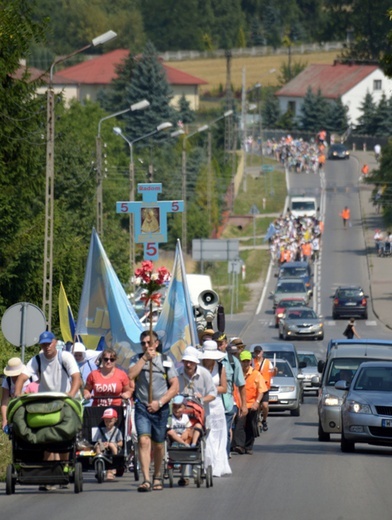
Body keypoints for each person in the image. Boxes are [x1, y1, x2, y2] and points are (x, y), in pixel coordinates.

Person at [128, 330, 179, 492]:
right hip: (142, 405)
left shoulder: (165, 360)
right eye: (143, 343)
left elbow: (175, 386)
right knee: (143, 441)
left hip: (160, 408)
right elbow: (130, 375)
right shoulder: (136, 359)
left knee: (158, 444)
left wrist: (160, 402)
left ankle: (157, 475)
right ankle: (146, 479)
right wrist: (144, 359)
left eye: (149, 343)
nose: (145, 346)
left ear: (156, 344)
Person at [178, 346, 217, 486]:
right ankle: (184, 475)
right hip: (183, 416)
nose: (188, 365)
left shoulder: (205, 374)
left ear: (196, 363)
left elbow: (213, 394)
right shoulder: (178, 374)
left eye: (191, 362)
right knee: (183, 440)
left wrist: (202, 399)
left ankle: (198, 471)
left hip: (201, 416)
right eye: (186, 361)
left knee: (200, 445)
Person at [14, 331, 81, 398]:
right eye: (44, 344)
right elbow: (21, 378)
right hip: (45, 401)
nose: (47, 347)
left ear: (55, 342)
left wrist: (71, 394)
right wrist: (17, 394)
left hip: (64, 398)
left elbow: (76, 377)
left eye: (49, 343)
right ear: (40, 345)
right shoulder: (37, 360)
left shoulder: (66, 356)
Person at [212, 331, 247, 457]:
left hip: (226, 405)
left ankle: (223, 457)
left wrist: (244, 405)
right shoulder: (208, 361)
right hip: (210, 405)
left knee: (225, 432)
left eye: (221, 344)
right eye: (216, 344)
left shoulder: (233, 362)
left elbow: (241, 385)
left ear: (226, 344)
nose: (219, 347)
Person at [200, 340, 231, 478]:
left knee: (219, 434)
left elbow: (224, 388)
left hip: (217, 404)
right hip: (203, 403)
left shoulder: (220, 367)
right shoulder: (199, 368)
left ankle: (218, 464)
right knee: (207, 433)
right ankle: (208, 463)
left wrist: (211, 390)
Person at [232, 351, 267, 455]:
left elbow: (261, 390)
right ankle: (239, 446)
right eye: (243, 361)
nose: (245, 364)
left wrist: (257, 403)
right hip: (240, 404)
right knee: (240, 424)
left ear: (250, 362)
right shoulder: (236, 374)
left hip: (252, 404)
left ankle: (248, 446)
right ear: (240, 362)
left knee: (251, 426)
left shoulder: (256, 374)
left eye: (247, 361)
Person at [1, 357, 37, 432]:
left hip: (32, 410)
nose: (14, 377)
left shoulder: (31, 379)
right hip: (17, 412)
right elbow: (4, 402)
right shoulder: (7, 382)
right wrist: (4, 420)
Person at [251, 345, 278, 432]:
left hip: (265, 387)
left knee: (265, 405)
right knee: (257, 405)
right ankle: (257, 419)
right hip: (255, 387)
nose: (258, 354)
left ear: (262, 352)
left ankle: (264, 420)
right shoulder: (252, 362)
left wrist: (275, 370)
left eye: (259, 352)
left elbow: (273, 374)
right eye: (256, 352)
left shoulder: (267, 362)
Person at [94, 408, 123, 480]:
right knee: (98, 446)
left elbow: (121, 443)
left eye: (110, 421)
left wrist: (113, 444)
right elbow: (98, 440)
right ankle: (99, 465)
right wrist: (103, 444)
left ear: (115, 420)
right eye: (106, 421)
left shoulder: (117, 430)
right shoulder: (101, 430)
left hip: (114, 446)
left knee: (112, 445)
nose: (108, 423)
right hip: (103, 445)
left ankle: (114, 466)